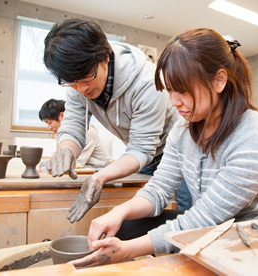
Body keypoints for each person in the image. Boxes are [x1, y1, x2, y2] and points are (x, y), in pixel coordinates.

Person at [68, 28, 258, 267]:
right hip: (213, 230)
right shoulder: (183, 129)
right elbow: (159, 189)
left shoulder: (255, 135)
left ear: (219, 80)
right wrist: (119, 212)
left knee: (141, 243)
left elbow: (203, 219)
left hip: (253, 239)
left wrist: (127, 250)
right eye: (170, 90)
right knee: (125, 226)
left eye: (182, 90)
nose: (174, 102)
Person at [43, 18, 183, 222]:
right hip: (145, 157)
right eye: (72, 82)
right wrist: (65, 149)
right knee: (143, 215)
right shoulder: (76, 83)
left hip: (177, 152)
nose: (81, 89)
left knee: (184, 216)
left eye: (86, 77)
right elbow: (73, 127)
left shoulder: (147, 82)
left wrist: (100, 176)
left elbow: (141, 149)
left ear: (105, 58)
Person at [38, 99, 112, 169]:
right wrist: (40, 164)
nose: (49, 127)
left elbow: (75, 163)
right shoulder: (64, 135)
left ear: (62, 116)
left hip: (98, 171)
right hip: (84, 169)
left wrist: (46, 167)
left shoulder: (87, 131)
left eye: (49, 122)